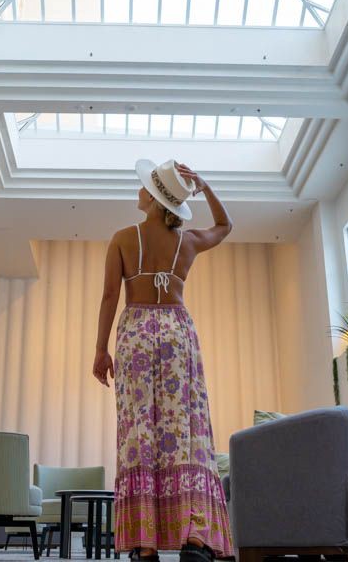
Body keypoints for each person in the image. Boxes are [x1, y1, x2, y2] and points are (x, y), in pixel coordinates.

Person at [93, 159, 234, 562]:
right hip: (177, 333)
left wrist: (100, 349)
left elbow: (108, 297)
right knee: (184, 430)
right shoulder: (187, 242)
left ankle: (147, 543)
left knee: (140, 431)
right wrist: (204, 186)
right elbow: (225, 227)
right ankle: (194, 536)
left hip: (135, 331)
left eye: (145, 188)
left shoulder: (122, 238)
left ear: (155, 199)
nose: (139, 191)